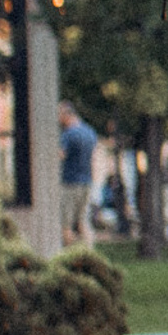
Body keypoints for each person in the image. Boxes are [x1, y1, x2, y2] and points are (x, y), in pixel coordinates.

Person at [58, 100, 99, 240]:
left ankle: (70, 257)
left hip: (70, 183)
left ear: (66, 114)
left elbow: (60, 155)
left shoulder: (68, 135)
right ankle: (89, 252)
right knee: (83, 222)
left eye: (59, 114)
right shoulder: (90, 132)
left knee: (66, 224)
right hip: (87, 181)